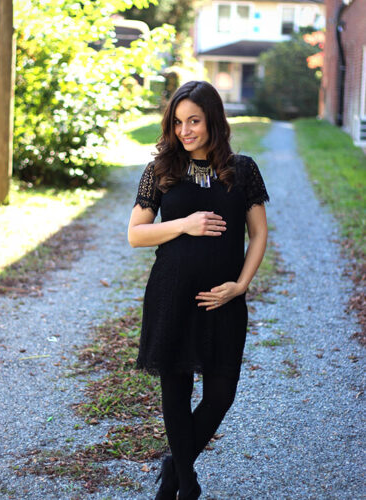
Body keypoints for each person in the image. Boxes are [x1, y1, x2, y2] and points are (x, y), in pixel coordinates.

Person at [127, 80, 269, 500]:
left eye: (194, 121)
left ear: (213, 121)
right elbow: (136, 235)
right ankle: (185, 486)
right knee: (176, 390)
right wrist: (184, 225)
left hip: (224, 298)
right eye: (178, 121)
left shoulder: (241, 170)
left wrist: (240, 286)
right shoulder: (161, 171)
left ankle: (174, 465)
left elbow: (258, 234)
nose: (185, 130)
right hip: (172, 296)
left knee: (221, 393)